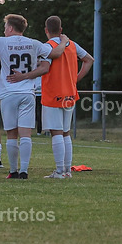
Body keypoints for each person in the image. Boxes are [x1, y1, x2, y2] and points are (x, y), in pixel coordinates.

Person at [0, 14, 66, 179]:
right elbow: (55, 54)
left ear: (10, 28)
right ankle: (24, 171)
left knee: (12, 134)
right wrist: (64, 42)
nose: (4, 30)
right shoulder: (34, 43)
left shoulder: (2, 42)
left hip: (8, 93)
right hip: (27, 93)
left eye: (5, 26)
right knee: (26, 134)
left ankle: (13, 171)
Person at [39, 16, 93, 179]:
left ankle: (59, 171)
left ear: (46, 30)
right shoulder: (72, 45)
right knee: (65, 133)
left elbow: (43, 67)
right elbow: (89, 60)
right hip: (69, 93)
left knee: (56, 133)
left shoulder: (48, 46)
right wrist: (75, 79)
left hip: (53, 93)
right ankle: (67, 170)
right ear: (61, 30)